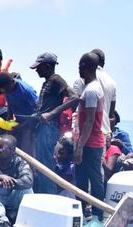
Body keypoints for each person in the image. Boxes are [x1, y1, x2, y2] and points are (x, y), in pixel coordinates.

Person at [30, 52, 79, 194]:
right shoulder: (47, 82)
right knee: (40, 166)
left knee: (45, 167)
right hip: (41, 127)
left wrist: (52, 113)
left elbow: (74, 97)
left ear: (47, 66)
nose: (36, 70)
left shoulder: (56, 80)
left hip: (48, 128)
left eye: (39, 67)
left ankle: (48, 198)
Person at [75, 52, 106, 221]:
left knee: (94, 180)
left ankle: (97, 215)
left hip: (91, 143)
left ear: (85, 67)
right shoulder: (91, 87)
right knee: (81, 179)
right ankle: (80, 214)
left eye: (80, 66)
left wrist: (79, 147)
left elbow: (89, 121)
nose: (78, 69)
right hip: (88, 141)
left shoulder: (92, 90)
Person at [0, 134, 34, 223]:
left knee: (27, 190)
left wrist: (4, 183)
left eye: (2, 148)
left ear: (13, 151)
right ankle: (2, 222)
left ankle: (29, 221)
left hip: (12, 199)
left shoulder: (19, 163)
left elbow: (28, 181)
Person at [74, 49, 117, 136]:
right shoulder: (112, 82)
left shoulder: (83, 78)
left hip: (86, 132)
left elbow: (75, 104)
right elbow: (111, 115)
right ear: (103, 63)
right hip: (104, 132)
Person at [0, 72, 39, 155]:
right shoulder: (7, 88)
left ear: (12, 83)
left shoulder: (26, 90)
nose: (5, 92)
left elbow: (38, 110)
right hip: (18, 123)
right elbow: (10, 104)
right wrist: (9, 118)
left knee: (26, 149)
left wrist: (23, 125)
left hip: (31, 124)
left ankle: (28, 167)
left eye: (6, 89)